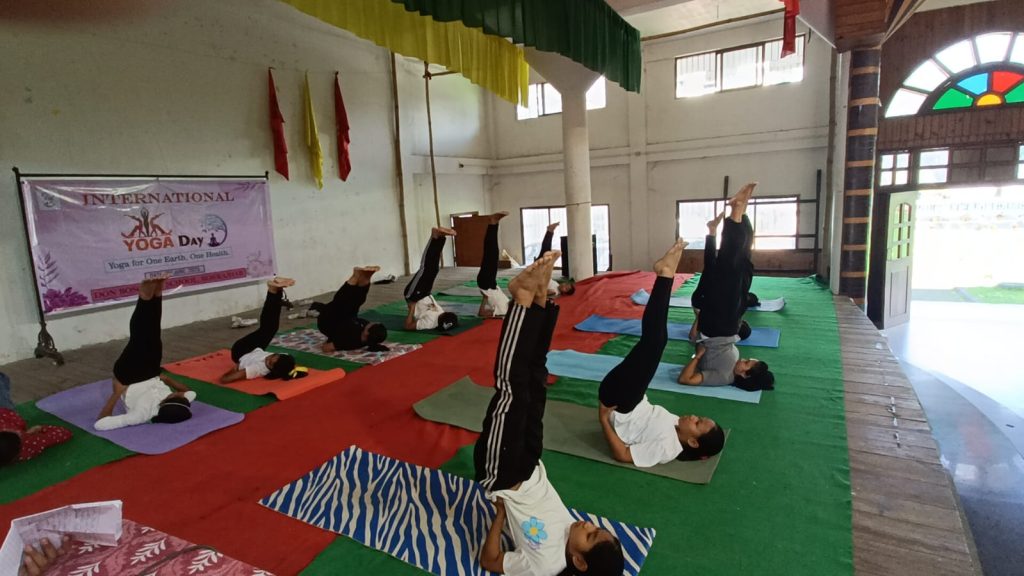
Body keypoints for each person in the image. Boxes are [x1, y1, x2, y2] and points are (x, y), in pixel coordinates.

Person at [476, 252, 624, 576]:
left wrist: (500, 516)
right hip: (531, 462)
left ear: (579, 562)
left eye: (590, 535)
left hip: (502, 472)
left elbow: (490, 561)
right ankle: (541, 300)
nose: (587, 524)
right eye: (596, 527)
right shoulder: (573, 534)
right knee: (536, 380)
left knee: (512, 389)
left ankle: (521, 301)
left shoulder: (545, 565)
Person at [597, 240, 725, 466]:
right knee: (655, 341)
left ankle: (666, 275)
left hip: (618, 400)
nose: (693, 417)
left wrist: (603, 420)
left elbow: (623, 455)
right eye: (699, 418)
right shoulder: (677, 425)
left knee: (655, 341)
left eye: (697, 423)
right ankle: (665, 275)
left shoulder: (668, 447)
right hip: (632, 395)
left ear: (693, 442)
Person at [677, 183, 774, 391]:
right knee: (744, 264)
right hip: (727, 322)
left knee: (730, 265)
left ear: (744, 375)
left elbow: (686, 379)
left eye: (746, 364)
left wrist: (697, 356)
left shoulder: (723, 376)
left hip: (717, 325)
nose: (744, 360)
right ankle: (742, 213)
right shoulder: (733, 365)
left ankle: (736, 213)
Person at [95, 276, 197, 431]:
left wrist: (116, 393)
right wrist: (167, 379)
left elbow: (101, 424)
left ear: (165, 403)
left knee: (139, 339)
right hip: (152, 372)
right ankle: (156, 294)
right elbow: (189, 392)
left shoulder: (141, 415)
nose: (179, 394)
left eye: (175, 395)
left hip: (128, 377)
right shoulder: (179, 404)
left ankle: (144, 299)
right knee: (154, 335)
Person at [219, 277, 304, 384]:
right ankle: (276, 290)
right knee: (272, 328)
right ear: (278, 355)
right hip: (257, 349)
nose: (267, 359)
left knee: (267, 329)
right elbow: (291, 366)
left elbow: (225, 379)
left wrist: (236, 368)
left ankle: (273, 290)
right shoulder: (284, 358)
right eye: (272, 356)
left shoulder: (258, 369)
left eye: (269, 363)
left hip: (241, 351)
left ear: (271, 369)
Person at [1, 372, 72, 467]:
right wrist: (40, 429)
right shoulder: (29, 444)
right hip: (5, 410)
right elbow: (64, 433)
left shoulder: (24, 442)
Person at [311, 266, 388, 352]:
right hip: (346, 318)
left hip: (327, 322)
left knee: (341, 303)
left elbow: (326, 348)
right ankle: (366, 276)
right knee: (357, 301)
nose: (373, 322)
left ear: (367, 333)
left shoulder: (350, 341)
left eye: (374, 324)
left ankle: (355, 276)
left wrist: (333, 341)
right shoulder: (365, 329)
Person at [403, 228, 460, 331]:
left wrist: (411, 309)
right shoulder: (441, 314)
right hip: (426, 293)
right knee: (434, 269)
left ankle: (434, 237)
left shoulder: (430, 323)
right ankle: (441, 238)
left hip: (413, 296)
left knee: (425, 268)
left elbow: (408, 327)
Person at [475, 212, 511, 319]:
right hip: (492, 284)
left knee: (490, 253)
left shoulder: (503, 311)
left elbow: (481, 313)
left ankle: (493, 222)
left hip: (485, 284)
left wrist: (485, 298)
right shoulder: (507, 305)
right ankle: (494, 223)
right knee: (494, 252)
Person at [538, 222, 576, 297]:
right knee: (545, 250)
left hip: (538, 273)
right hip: (543, 271)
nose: (564, 285)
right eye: (566, 284)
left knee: (546, 251)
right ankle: (550, 231)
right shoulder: (556, 284)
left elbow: (543, 293)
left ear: (564, 293)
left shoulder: (555, 291)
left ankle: (550, 231)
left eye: (566, 288)